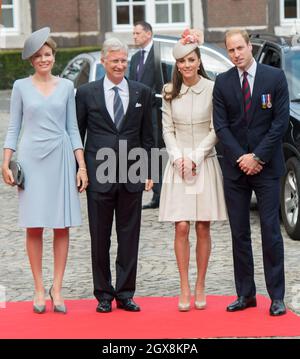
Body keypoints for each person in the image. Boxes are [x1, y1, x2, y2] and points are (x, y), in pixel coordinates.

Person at [1, 27, 88, 314]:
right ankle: (39, 288)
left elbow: (72, 128)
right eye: (38, 55)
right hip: (31, 160)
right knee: (34, 224)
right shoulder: (20, 87)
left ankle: (57, 288)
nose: (44, 59)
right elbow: (14, 127)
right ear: (31, 60)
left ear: (54, 56)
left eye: (48, 54)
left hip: (61, 158)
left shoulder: (66, 87)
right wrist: (6, 161)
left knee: (62, 225)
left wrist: (81, 166)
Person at [213, 29, 289, 316]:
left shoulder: (274, 77)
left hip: (267, 168)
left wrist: (257, 156)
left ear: (249, 47)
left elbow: (279, 122)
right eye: (231, 50)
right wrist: (241, 158)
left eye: (240, 48)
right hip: (235, 170)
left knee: (271, 232)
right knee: (239, 233)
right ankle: (246, 294)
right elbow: (221, 126)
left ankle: (277, 297)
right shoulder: (222, 82)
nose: (236, 54)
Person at [76, 38, 154, 313]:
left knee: (129, 235)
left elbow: (149, 135)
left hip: (132, 173)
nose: (120, 65)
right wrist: (80, 171)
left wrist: (150, 170)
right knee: (100, 236)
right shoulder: (86, 93)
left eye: (124, 60)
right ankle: (104, 295)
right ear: (103, 61)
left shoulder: (141, 92)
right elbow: (78, 134)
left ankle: (125, 292)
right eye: (115, 60)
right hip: (99, 174)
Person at [159, 29, 227, 312]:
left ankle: (201, 284)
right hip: (178, 165)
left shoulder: (213, 90)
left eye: (191, 60)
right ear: (176, 65)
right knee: (181, 225)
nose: (186, 65)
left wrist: (197, 157)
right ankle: (184, 286)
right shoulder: (168, 92)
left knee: (202, 225)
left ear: (199, 61)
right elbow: (167, 129)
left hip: (204, 161)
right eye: (181, 62)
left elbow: (216, 129)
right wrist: (177, 158)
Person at [129, 21, 164, 209]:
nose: (134, 36)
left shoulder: (159, 53)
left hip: (156, 111)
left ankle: (160, 194)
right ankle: (153, 193)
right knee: (144, 151)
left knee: (157, 151)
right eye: (133, 33)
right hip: (138, 112)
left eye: (137, 33)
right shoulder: (134, 58)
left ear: (148, 34)